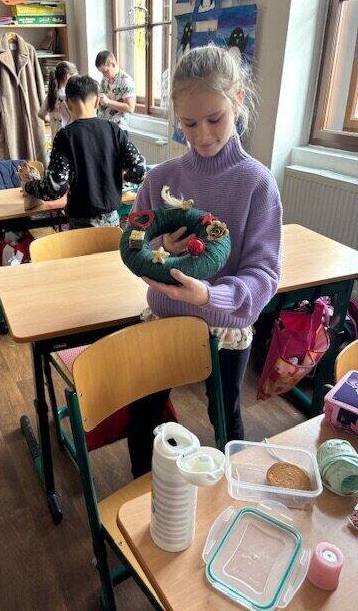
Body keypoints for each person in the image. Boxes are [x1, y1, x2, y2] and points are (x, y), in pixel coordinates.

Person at [128, 44, 282, 477]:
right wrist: (161, 247)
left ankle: (229, 493)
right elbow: (134, 241)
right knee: (143, 417)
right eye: (189, 123)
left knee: (225, 417)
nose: (202, 135)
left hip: (224, 326)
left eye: (215, 119)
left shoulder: (257, 184)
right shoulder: (160, 179)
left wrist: (208, 295)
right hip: (165, 318)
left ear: (238, 101)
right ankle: (144, 500)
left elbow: (263, 275)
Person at [23, 74, 146, 228]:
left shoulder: (65, 136)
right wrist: (124, 177)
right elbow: (139, 169)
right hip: (112, 221)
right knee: (111, 245)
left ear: (67, 104)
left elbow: (55, 188)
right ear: (97, 101)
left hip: (81, 222)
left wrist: (29, 186)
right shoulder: (114, 130)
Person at [95, 50, 136, 129]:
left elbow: (130, 108)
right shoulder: (105, 79)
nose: (103, 75)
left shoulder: (126, 81)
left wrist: (108, 102)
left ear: (113, 64)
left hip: (119, 128)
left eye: (105, 71)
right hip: (105, 125)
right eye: (101, 72)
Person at [38, 61, 77, 140]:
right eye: (74, 77)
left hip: (56, 138)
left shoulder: (51, 95)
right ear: (68, 76)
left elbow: (41, 114)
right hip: (68, 138)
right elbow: (75, 117)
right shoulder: (67, 96)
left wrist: (52, 121)